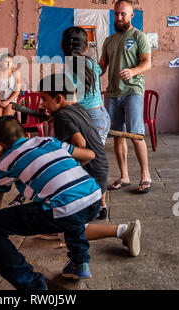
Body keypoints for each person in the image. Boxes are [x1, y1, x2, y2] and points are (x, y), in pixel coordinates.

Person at [0, 115, 102, 289]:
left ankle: (33, 287)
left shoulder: (5, 163)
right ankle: (80, 262)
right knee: (69, 202)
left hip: (65, 209)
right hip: (94, 197)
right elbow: (89, 154)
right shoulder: (47, 140)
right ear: (27, 135)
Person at [99, 0, 152, 193]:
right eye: (116, 14)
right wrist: (89, 73)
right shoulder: (109, 40)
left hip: (133, 91)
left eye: (123, 14)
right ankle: (124, 176)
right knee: (117, 136)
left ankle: (146, 175)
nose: (119, 17)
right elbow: (102, 65)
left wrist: (133, 71)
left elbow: (147, 63)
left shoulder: (139, 36)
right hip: (112, 93)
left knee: (136, 135)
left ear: (131, 15)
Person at [39, 73, 108, 211]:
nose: (42, 105)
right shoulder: (79, 109)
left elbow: (80, 144)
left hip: (91, 180)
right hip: (101, 174)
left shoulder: (62, 117)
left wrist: (70, 172)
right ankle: (102, 206)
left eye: (44, 99)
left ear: (58, 98)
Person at [61, 26, 111, 218]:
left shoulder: (68, 69)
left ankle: (94, 205)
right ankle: (99, 205)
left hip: (88, 119)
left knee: (90, 163)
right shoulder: (91, 63)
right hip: (100, 117)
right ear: (86, 47)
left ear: (63, 46)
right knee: (92, 162)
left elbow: (72, 100)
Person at [0, 52, 21, 159]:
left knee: (6, 123)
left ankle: (8, 148)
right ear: (1, 63)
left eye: (10, 62)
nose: (8, 64)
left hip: (11, 100)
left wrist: (7, 101)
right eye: (6, 62)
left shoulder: (16, 73)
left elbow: (17, 91)